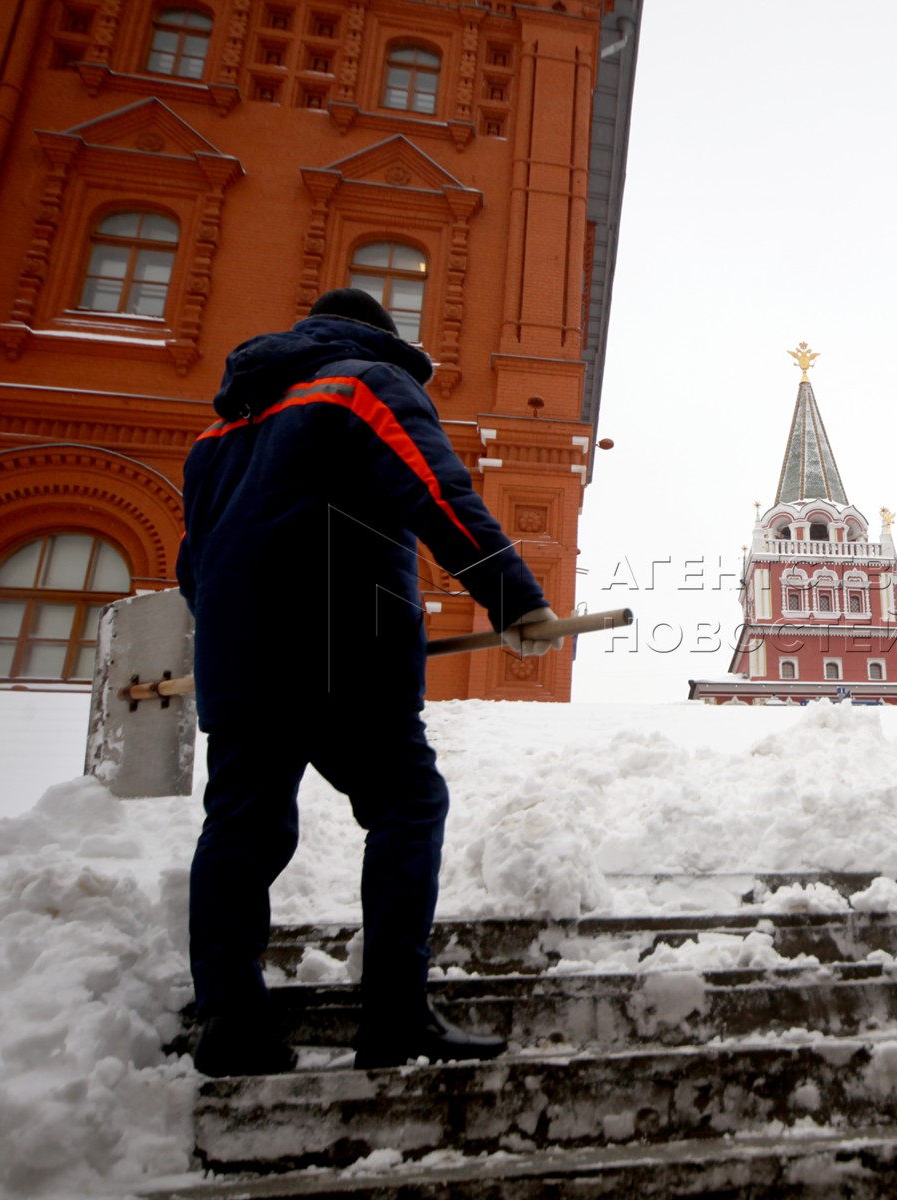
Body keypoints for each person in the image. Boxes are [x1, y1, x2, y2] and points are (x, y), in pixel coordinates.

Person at [177, 288, 565, 1075]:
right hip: (345, 649)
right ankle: (392, 1015)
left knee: (242, 827)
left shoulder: (218, 434)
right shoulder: (362, 384)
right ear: (381, 336)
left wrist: (243, 633)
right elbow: (438, 492)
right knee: (407, 803)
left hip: (239, 662)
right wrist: (515, 599)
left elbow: (195, 565)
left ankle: (229, 1019)